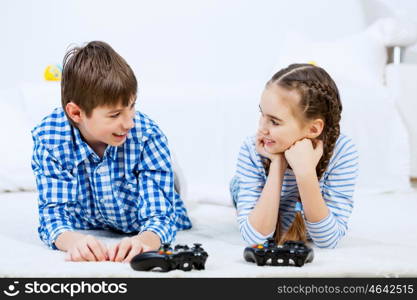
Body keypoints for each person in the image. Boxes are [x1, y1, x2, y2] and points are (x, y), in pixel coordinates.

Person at [31, 41, 192, 262]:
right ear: (76, 113)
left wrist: (144, 241)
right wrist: (73, 241)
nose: (129, 123)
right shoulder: (50, 139)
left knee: (172, 190)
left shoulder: (147, 135)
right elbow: (53, 217)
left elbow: (161, 217)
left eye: (132, 106)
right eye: (115, 115)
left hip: (140, 203)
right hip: (90, 215)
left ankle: (172, 177)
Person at [230, 63, 359, 248]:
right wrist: (277, 164)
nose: (262, 128)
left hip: (298, 197)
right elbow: (254, 239)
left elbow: (328, 240)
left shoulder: (343, 152)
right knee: (237, 187)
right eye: (262, 115)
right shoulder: (253, 149)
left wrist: (305, 173)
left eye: (274, 121)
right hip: (254, 193)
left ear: (313, 129)